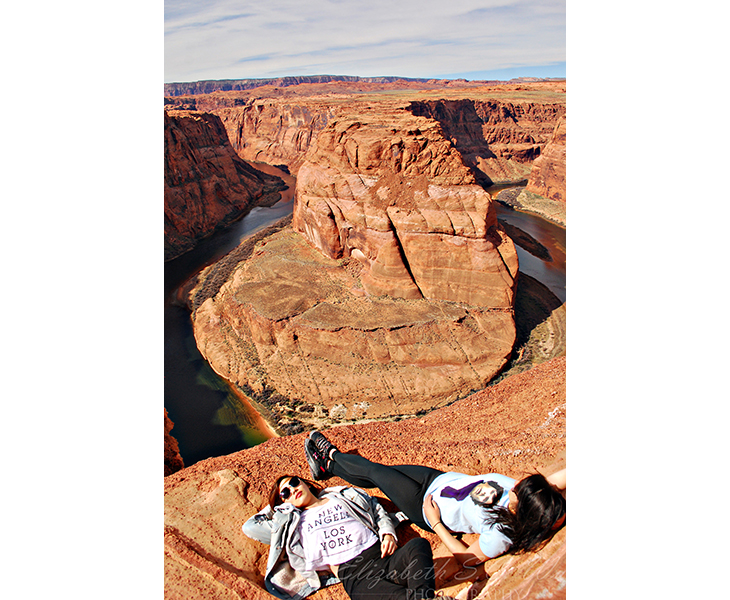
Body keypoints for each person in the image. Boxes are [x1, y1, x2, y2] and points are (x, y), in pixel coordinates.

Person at [304, 431, 566, 568]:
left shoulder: (502, 533)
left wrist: (436, 523)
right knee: (379, 475)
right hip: (439, 480)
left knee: (375, 472)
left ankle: (332, 456)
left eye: (517, 496)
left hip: (425, 506)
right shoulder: (537, 495)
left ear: (527, 511)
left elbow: (467, 559)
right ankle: (328, 468)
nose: (514, 488)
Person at [242, 473, 437, 600]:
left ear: (304, 482)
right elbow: (250, 527)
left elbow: (376, 508)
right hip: (355, 577)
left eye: (294, 483)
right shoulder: (292, 523)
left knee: (418, 545)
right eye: (286, 492)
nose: (293, 489)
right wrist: (279, 506)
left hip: (383, 558)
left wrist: (388, 533)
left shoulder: (340, 495)